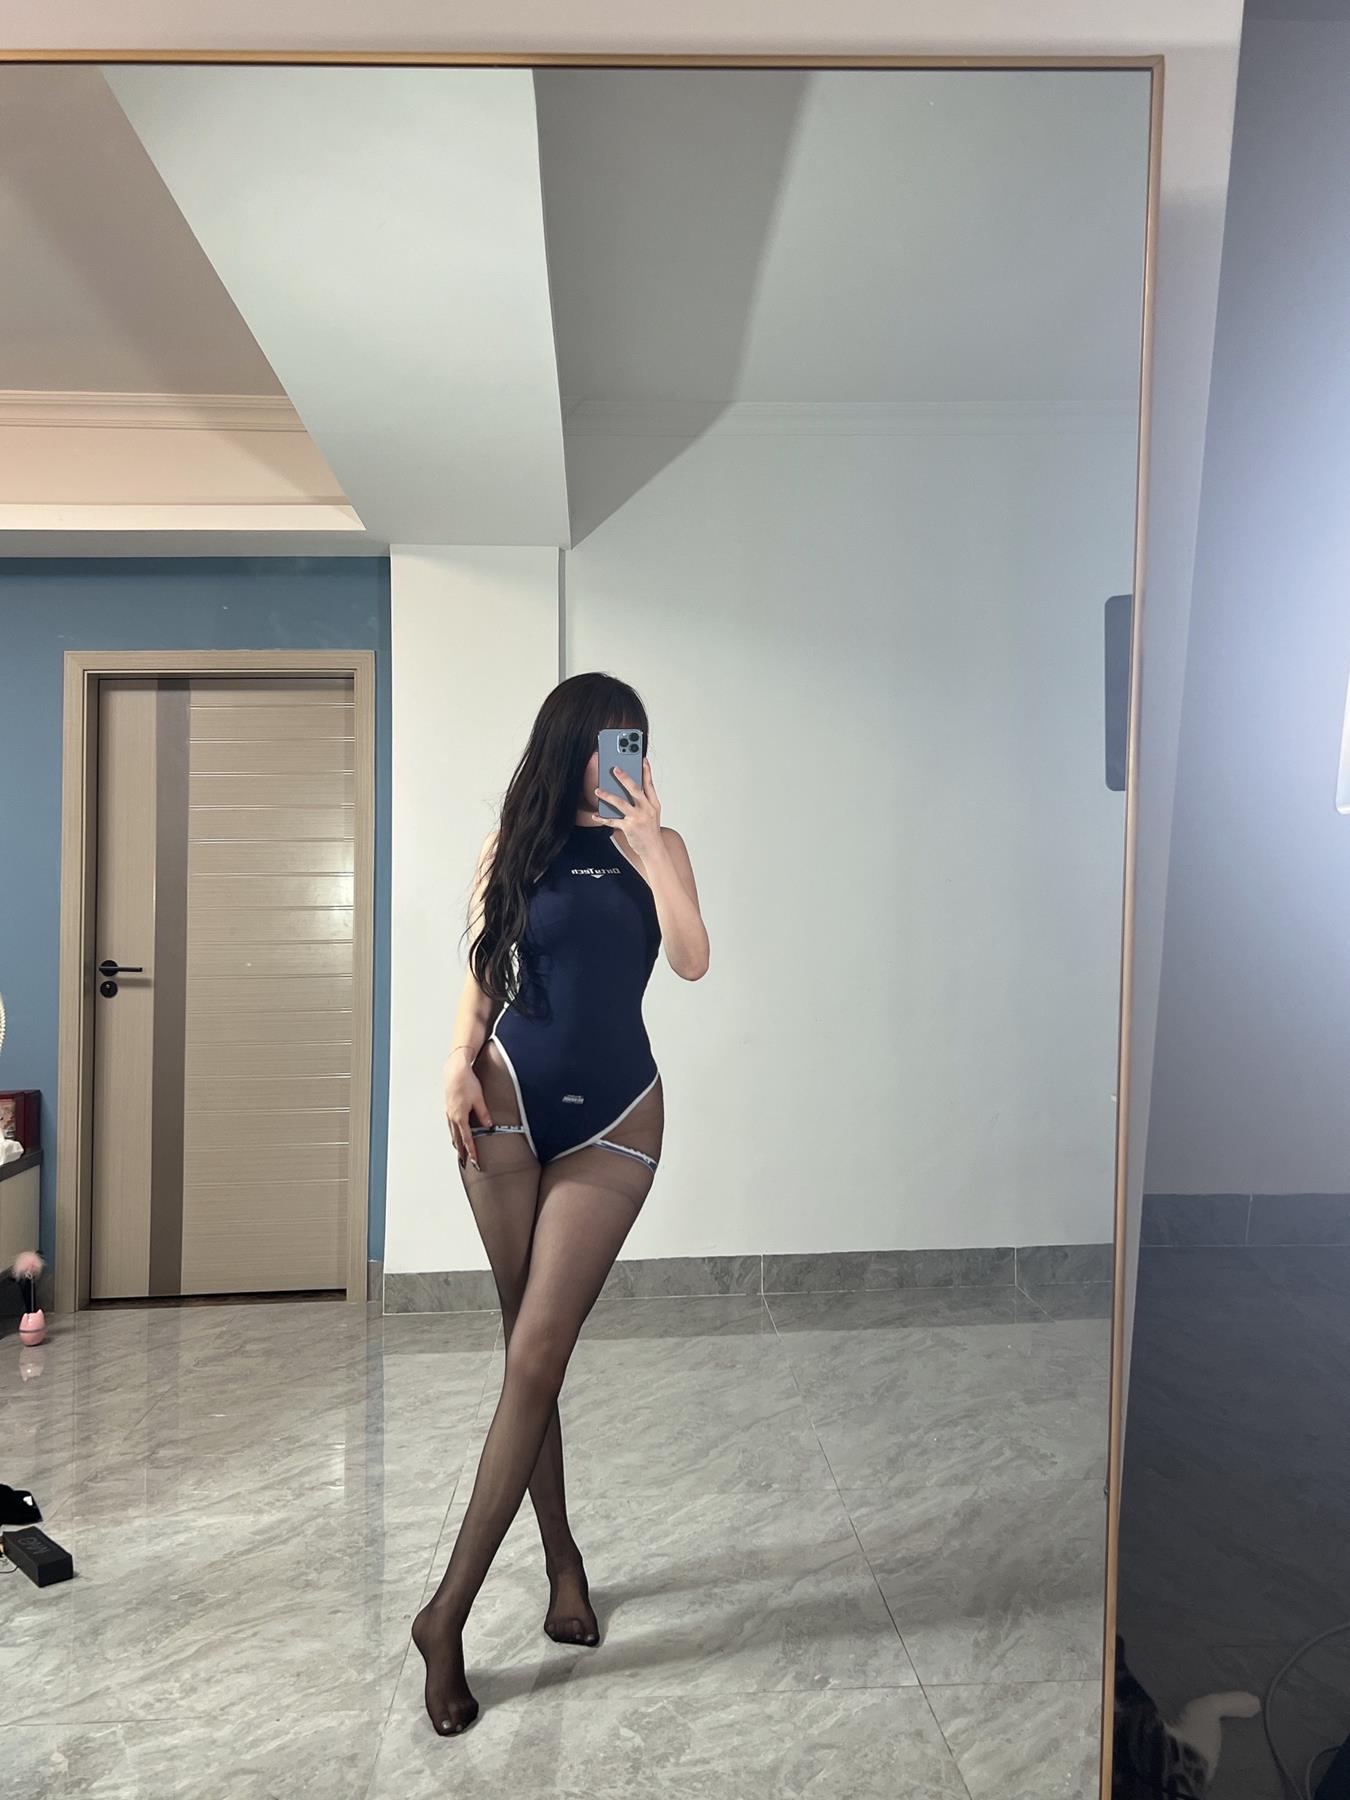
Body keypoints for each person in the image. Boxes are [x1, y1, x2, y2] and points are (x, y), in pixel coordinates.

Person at [412, 671, 710, 1737]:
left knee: (537, 1353)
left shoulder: (660, 847)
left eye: (636, 740)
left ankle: (444, 1617)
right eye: (605, 740)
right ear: (569, 746)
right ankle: (563, 1562)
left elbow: (693, 960)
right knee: (524, 1355)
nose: (622, 758)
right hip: (504, 1105)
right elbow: (486, 972)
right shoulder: (514, 846)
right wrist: (456, 1059)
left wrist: (653, 850)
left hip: (618, 1116)